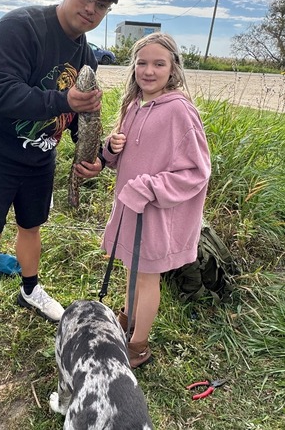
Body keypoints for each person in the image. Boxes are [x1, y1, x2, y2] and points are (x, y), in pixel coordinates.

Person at [0, 0, 120, 376]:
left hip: (39, 159)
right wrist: (63, 100)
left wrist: (90, 154)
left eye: (102, 4)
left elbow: (79, 114)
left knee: (31, 228)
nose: (91, 7)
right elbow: (1, 94)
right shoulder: (19, 27)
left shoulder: (85, 54)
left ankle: (30, 290)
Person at [101, 32, 211, 369]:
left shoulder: (180, 111)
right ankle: (127, 319)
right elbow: (122, 157)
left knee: (147, 277)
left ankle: (138, 345)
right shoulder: (133, 105)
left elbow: (197, 170)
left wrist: (151, 187)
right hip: (130, 210)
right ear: (134, 66)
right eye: (142, 63)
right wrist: (111, 148)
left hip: (155, 213)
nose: (149, 71)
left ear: (173, 68)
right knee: (131, 269)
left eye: (159, 64)